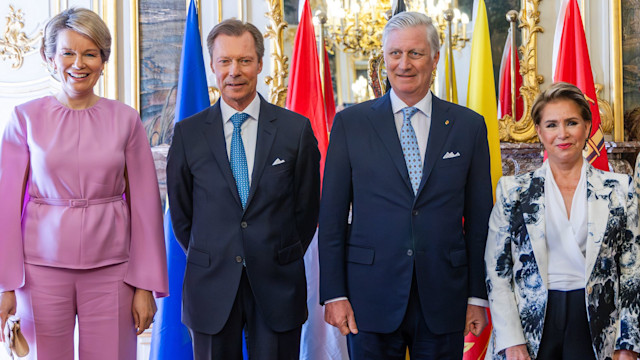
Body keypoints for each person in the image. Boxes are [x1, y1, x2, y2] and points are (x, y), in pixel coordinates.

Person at [318, 11, 493, 359]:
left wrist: (477, 296)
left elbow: (479, 220)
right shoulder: (350, 124)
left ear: (435, 58)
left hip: (444, 296)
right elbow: (332, 217)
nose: (404, 64)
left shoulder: (468, 126)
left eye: (415, 53)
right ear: (384, 59)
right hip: (369, 296)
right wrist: (334, 293)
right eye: (395, 54)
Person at [0, 7, 168, 360]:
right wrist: (5, 285)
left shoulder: (126, 120)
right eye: (68, 52)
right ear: (50, 57)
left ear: (103, 60)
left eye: (90, 53)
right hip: (40, 271)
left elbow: (146, 208)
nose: (79, 63)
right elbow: (5, 207)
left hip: (114, 273)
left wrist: (145, 285)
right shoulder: (24, 119)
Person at [166, 19, 320, 359]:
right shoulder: (188, 135)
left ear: (260, 64)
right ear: (212, 66)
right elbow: (181, 215)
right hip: (211, 286)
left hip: (278, 285)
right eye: (225, 61)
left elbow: (307, 211)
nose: (234, 71)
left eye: (245, 61)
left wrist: (275, 251)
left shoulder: (295, 131)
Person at [485, 82, 640, 360]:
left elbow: (633, 270)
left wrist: (627, 343)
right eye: (552, 124)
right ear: (539, 131)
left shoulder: (620, 189)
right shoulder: (513, 191)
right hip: (530, 324)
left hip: (598, 323)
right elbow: (498, 272)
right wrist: (510, 340)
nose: (563, 134)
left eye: (572, 122)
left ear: (588, 126)